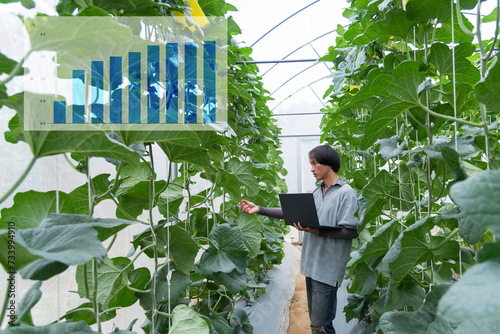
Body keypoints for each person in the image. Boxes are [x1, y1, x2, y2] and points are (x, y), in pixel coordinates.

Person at [239, 145, 359, 334]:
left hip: (328, 268)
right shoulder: (316, 192)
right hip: (311, 264)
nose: (311, 168)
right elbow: (289, 213)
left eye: (314, 163)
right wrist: (260, 209)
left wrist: (319, 232)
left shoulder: (346, 193)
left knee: (319, 326)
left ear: (328, 163)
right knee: (320, 323)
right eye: (310, 164)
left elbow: (350, 231)